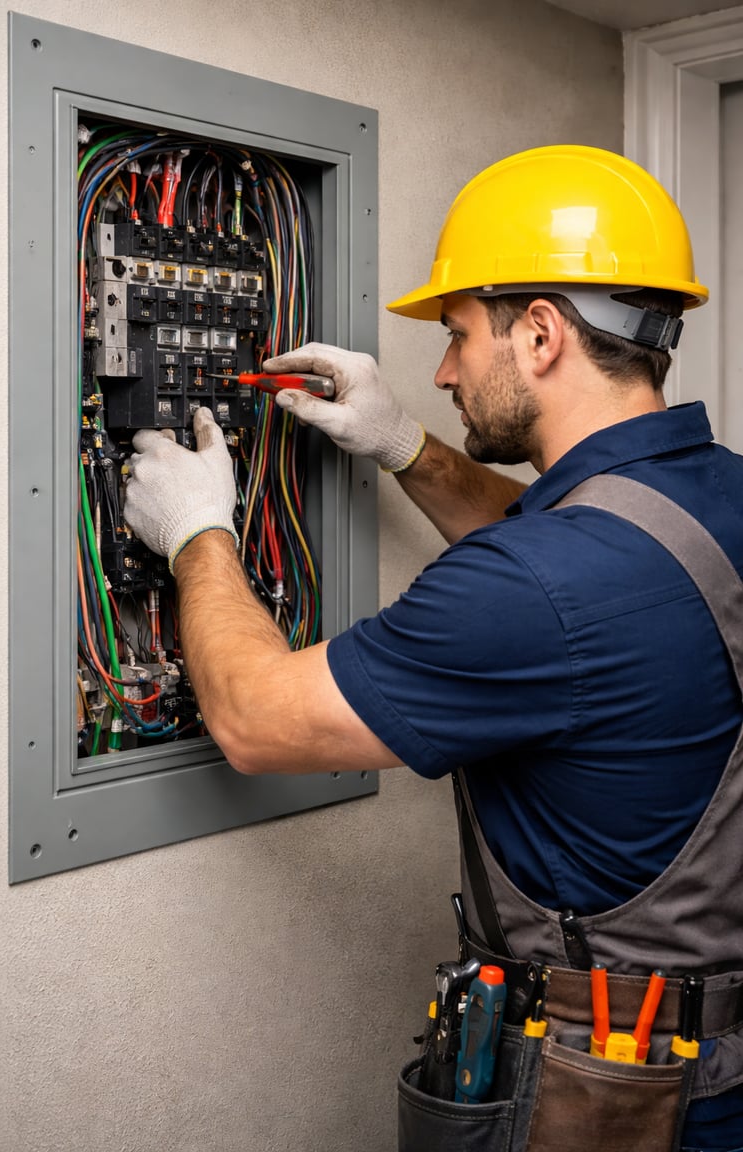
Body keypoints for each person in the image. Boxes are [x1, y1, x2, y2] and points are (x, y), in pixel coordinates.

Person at [124, 145, 743, 1150]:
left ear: (540, 334)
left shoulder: (536, 584)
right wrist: (406, 444)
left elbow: (251, 718)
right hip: (716, 1068)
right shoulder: (715, 493)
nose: (445, 368)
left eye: (457, 336)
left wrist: (199, 531)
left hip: (610, 1103)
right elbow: (605, 550)